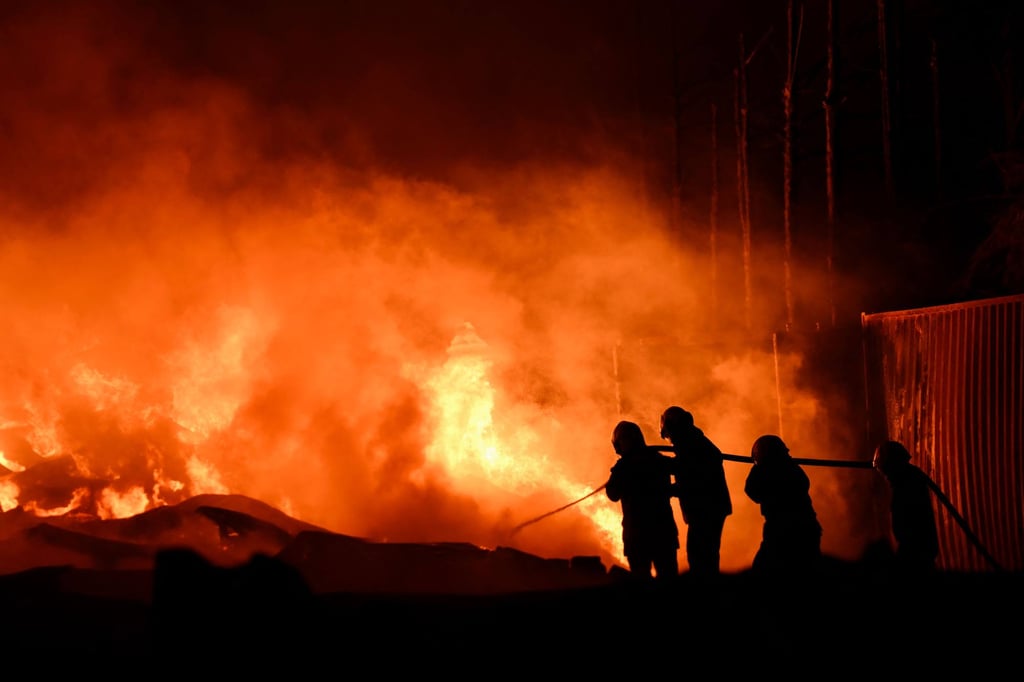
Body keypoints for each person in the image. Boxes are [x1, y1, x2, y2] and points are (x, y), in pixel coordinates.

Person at [659, 406, 733, 576]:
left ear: (673, 428)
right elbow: (684, 468)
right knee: (704, 555)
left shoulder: (693, 445)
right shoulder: (694, 442)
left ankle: (705, 594)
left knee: (700, 556)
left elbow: (691, 477)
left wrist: (663, 475)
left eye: (669, 435)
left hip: (706, 509)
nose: (670, 440)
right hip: (709, 508)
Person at [605, 420, 679, 580]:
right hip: (663, 530)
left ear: (619, 444)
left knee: (641, 583)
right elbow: (684, 470)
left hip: (637, 535)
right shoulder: (659, 460)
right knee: (669, 581)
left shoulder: (622, 467)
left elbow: (612, 494)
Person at [743, 434, 823, 576]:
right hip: (806, 527)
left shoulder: (776, 472)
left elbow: (752, 491)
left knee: (764, 571)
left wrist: (757, 467)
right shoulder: (792, 468)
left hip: (783, 529)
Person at [872, 440, 940, 574]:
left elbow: (907, 530)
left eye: (884, 471)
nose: (885, 477)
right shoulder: (912, 478)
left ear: (891, 466)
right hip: (919, 552)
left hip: (916, 556)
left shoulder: (906, 486)